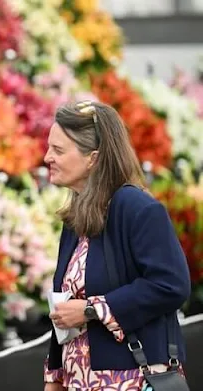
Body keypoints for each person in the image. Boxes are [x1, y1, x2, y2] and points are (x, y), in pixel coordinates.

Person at [42, 101, 191, 391]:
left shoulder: (137, 208)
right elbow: (64, 307)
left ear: (93, 158)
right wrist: (55, 377)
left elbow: (172, 284)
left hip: (132, 379)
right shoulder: (75, 218)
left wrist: (90, 309)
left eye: (58, 150)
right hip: (78, 382)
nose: (47, 157)